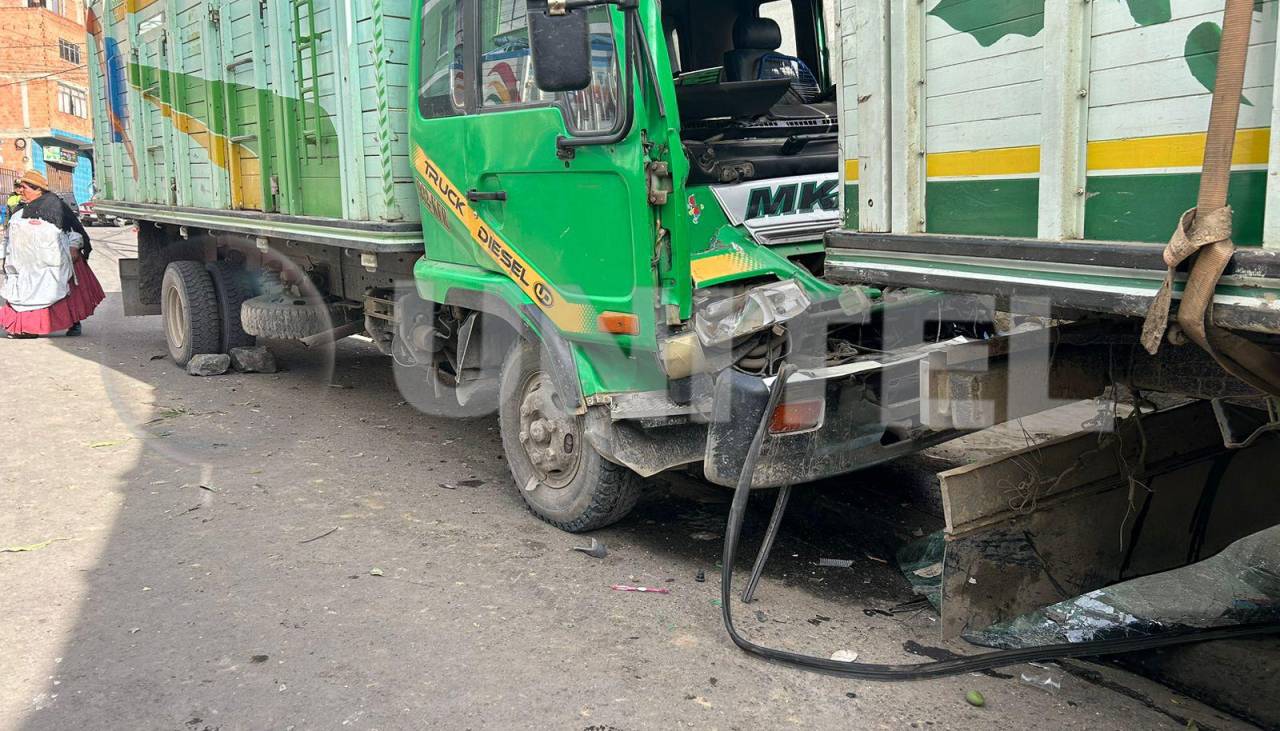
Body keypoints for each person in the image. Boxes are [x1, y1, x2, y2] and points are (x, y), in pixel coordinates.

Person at [0, 170, 104, 338]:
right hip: (29, 264)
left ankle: (73, 322)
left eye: (24, 187)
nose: (20, 191)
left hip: (56, 259)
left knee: (64, 291)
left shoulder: (54, 206)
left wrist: (74, 247)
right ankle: (28, 327)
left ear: (37, 189)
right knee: (28, 293)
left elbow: (73, 230)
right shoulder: (21, 210)